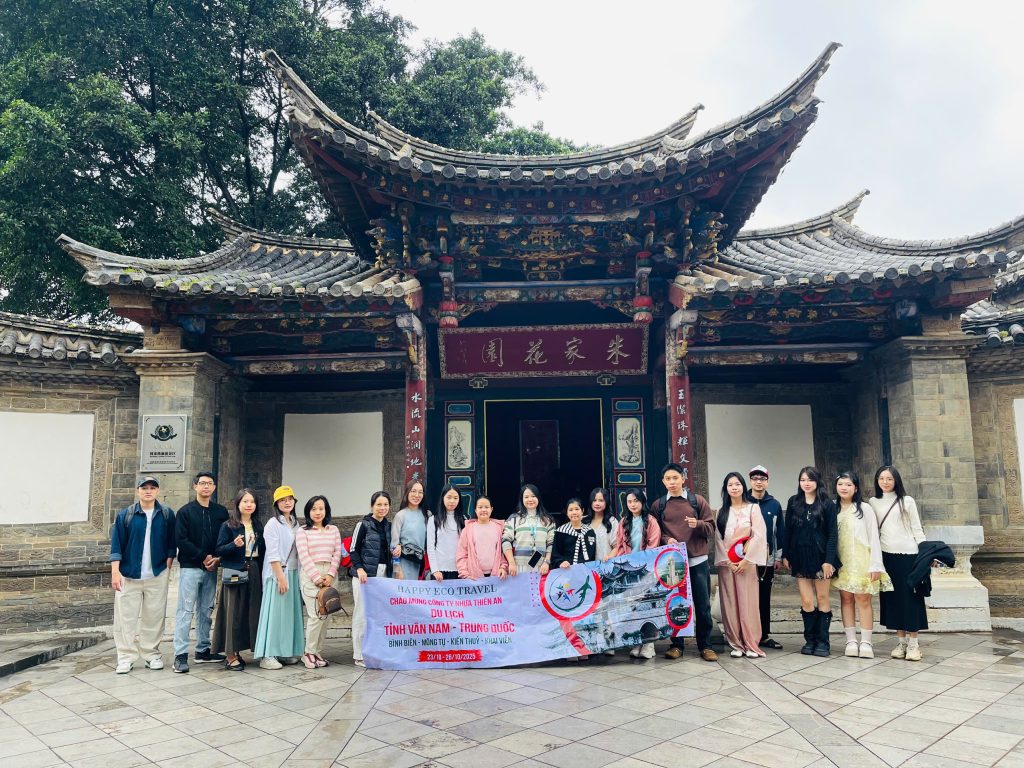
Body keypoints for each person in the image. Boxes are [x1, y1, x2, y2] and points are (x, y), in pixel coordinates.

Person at [109, 477, 176, 674]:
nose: (148, 491)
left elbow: (172, 541)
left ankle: (151, 654)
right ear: (138, 491)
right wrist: (115, 572)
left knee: (154, 616)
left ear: (158, 491)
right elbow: (117, 545)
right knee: (125, 618)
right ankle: (125, 656)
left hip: (157, 573)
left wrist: (168, 562)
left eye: (152, 488)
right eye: (144, 488)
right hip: (128, 574)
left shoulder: (166, 514)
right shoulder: (126, 515)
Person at [652, 463, 718, 662]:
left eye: (675, 478)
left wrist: (697, 524)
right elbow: (655, 532)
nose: (672, 482)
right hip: (673, 564)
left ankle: (705, 645)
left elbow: (711, 527)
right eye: (668, 479)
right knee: (675, 604)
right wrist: (666, 540)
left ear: (683, 478)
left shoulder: (697, 501)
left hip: (697, 560)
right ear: (663, 482)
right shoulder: (659, 505)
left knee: (702, 605)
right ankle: (676, 644)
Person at [869, 466, 928, 662]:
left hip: (909, 555)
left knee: (911, 599)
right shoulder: (873, 502)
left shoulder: (907, 501)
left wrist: (925, 555)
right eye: (881, 478)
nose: (885, 482)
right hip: (886, 556)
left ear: (896, 481)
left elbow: (917, 529)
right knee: (892, 599)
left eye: (889, 479)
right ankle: (901, 642)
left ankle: (914, 644)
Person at [172, 471, 229, 673]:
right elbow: (181, 540)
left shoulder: (220, 512)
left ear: (214, 487)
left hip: (211, 568)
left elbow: (225, 537)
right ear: (195, 486)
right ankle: (180, 654)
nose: (206, 486)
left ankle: (203, 650)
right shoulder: (185, 512)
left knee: (206, 610)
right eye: (202, 483)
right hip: (190, 567)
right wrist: (203, 556)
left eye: (209, 483)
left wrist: (217, 558)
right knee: (185, 610)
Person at [833, 471, 892, 659]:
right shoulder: (832, 508)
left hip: (863, 560)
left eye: (848, 484)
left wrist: (876, 565)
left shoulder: (864, 509)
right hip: (842, 562)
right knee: (846, 599)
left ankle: (866, 642)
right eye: (841, 484)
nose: (844, 488)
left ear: (856, 488)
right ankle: (851, 640)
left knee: (863, 600)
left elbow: (874, 536)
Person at [781, 466, 839, 657]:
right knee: (806, 600)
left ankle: (823, 641)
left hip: (821, 558)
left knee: (822, 598)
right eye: (803, 480)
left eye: (810, 480)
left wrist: (829, 560)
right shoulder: (793, 502)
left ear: (817, 481)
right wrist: (786, 554)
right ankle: (810, 640)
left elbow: (832, 534)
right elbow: (788, 530)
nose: (806, 483)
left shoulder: (827, 504)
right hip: (800, 556)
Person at [714, 472, 768, 659]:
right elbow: (718, 539)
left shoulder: (753, 508)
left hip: (747, 564)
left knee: (748, 603)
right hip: (727, 565)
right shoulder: (721, 511)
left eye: (737, 484)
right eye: (730, 485)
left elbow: (759, 535)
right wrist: (728, 562)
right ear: (726, 488)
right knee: (730, 603)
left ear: (744, 487)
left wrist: (746, 560)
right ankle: (736, 643)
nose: (734, 488)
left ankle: (751, 643)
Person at [211, 488, 264, 671]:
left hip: (254, 569)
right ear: (238, 504)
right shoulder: (229, 525)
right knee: (232, 613)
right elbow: (219, 549)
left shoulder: (258, 525)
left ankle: (244, 649)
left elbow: (263, 551)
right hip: (235, 571)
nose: (249, 505)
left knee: (251, 611)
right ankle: (230, 655)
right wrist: (234, 545)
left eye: (252, 501)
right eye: (245, 501)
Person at [253, 486, 305, 669]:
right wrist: (280, 577)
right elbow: (273, 553)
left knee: (289, 615)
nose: (287, 502)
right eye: (283, 500)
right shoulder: (272, 524)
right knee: (274, 615)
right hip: (277, 573)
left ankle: (284, 651)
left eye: (290, 499)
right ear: (276, 503)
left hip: (293, 572)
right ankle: (267, 655)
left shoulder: (296, 524)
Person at [296, 495, 342, 669]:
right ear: (308, 511)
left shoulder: (333, 530)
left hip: (330, 574)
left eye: (321, 508)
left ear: (326, 510)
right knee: (316, 615)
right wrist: (316, 578)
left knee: (326, 615)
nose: (317, 512)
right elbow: (303, 555)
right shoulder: (303, 531)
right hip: (311, 575)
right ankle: (308, 653)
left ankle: (317, 652)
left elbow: (337, 553)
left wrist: (330, 575)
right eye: (313, 509)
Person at [350, 490, 395, 667]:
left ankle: (375, 651)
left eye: (385, 504)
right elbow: (353, 549)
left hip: (383, 574)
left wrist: (397, 549)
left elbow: (390, 548)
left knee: (379, 615)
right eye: (379, 504)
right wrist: (360, 568)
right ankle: (359, 654)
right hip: (365, 575)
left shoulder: (389, 526)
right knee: (362, 614)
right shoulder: (363, 525)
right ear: (372, 506)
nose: (382, 508)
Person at [615, 489, 660, 658]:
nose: (633, 504)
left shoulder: (651, 521)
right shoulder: (624, 522)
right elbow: (620, 546)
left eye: (636, 501)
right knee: (632, 608)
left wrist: (643, 564)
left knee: (647, 607)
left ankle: (649, 644)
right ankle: (637, 642)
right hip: (630, 572)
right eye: (629, 502)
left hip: (646, 570)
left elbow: (653, 546)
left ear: (642, 501)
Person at [748, 465, 785, 650]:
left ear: (767, 482)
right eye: (755, 478)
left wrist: (778, 557)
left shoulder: (774, 504)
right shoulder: (743, 501)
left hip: (766, 558)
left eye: (762, 479)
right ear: (750, 481)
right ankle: (747, 634)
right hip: (746, 559)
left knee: (764, 597)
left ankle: (763, 635)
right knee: (747, 597)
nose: (758, 482)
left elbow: (779, 532)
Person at [501, 484, 555, 576]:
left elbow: (551, 543)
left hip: (541, 567)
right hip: (518, 568)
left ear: (538, 498)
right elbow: (505, 541)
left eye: (533, 496)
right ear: (522, 499)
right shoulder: (514, 519)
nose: (530, 499)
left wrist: (546, 562)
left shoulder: (548, 520)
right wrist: (511, 563)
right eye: (526, 497)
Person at [456, 496, 506, 579]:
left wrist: (503, 567)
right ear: (475, 510)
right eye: (480, 507)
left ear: (491, 509)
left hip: (496, 577)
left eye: (486, 507)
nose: (483, 510)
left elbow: (503, 552)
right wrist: (465, 574)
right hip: (473, 577)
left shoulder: (499, 528)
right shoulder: (468, 529)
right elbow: (462, 554)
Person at [428, 484, 467, 580]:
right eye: (449, 497)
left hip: (460, 570)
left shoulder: (463, 520)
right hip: (439, 571)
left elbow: (466, 547)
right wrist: (435, 570)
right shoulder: (433, 520)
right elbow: (430, 547)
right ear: (443, 498)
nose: (452, 501)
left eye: (455, 498)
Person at [391, 480, 428, 580]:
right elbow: (394, 546)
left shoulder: (427, 515)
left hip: (421, 564)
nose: (417, 495)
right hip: (404, 564)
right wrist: (397, 569)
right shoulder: (400, 516)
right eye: (413, 491)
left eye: (420, 492)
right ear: (407, 493)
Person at [551, 498, 597, 568]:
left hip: (587, 571)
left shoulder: (590, 532)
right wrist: (561, 562)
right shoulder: (561, 532)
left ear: (582, 511)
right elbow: (555, 555)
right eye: (571, 510)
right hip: (567, 571)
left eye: (577, 509)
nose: (574, 512)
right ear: (567, 513)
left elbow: (593, 555)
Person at [585, 487, 619, 562]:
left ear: (606, 502)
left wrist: (609, 557)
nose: (597, 503)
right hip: (586, 566)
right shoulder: (584, 521)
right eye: (594, 500)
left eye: (601, 500)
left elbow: (616, 547)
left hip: (606, 564)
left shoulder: (612, 521)